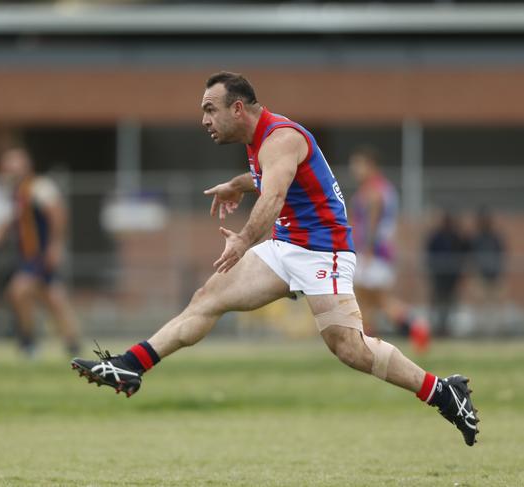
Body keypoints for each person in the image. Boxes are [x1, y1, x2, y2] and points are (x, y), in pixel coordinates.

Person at [71, 72, 478, 446]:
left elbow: (275, 194)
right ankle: (131, 364)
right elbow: (267, 177)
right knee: (208, 296)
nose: (204, 120)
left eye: (210, 109)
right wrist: (235, 184)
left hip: (324, 250)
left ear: (237, 108)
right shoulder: (261, 143)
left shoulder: (281, 138)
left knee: (349, 348)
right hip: (286, 249)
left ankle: (443, 392)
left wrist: (244, 240)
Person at [0, 147, 81, 357]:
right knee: (53, 298)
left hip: (39, 255)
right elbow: (15, 218)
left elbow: (57, 212)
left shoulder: (38, 187)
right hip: (28, 255)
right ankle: (72, 344)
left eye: (14, 166)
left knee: (19, 291)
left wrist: (55, 245)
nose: (9, 171)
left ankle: (28, 343)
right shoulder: (17, 193)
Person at [349, 147, 430, 352]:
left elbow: (372, 224)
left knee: (375, 300)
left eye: (359, 165)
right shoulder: (384, 188)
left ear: (371, 165)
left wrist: (366, 252)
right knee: (370, 301)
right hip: (380, 253)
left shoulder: (373, 191)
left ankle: (415, 327)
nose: (355, 170)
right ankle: (369, 341)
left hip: (373, 253)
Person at [426, 211, 468, 336]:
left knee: (450, 305)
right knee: (438, 304)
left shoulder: (456, 236)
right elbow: (429, 252)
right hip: (439, 278)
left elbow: (465, 249)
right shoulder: (437, 236)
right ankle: (436, 328)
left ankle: (447, 329)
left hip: (451, 278)